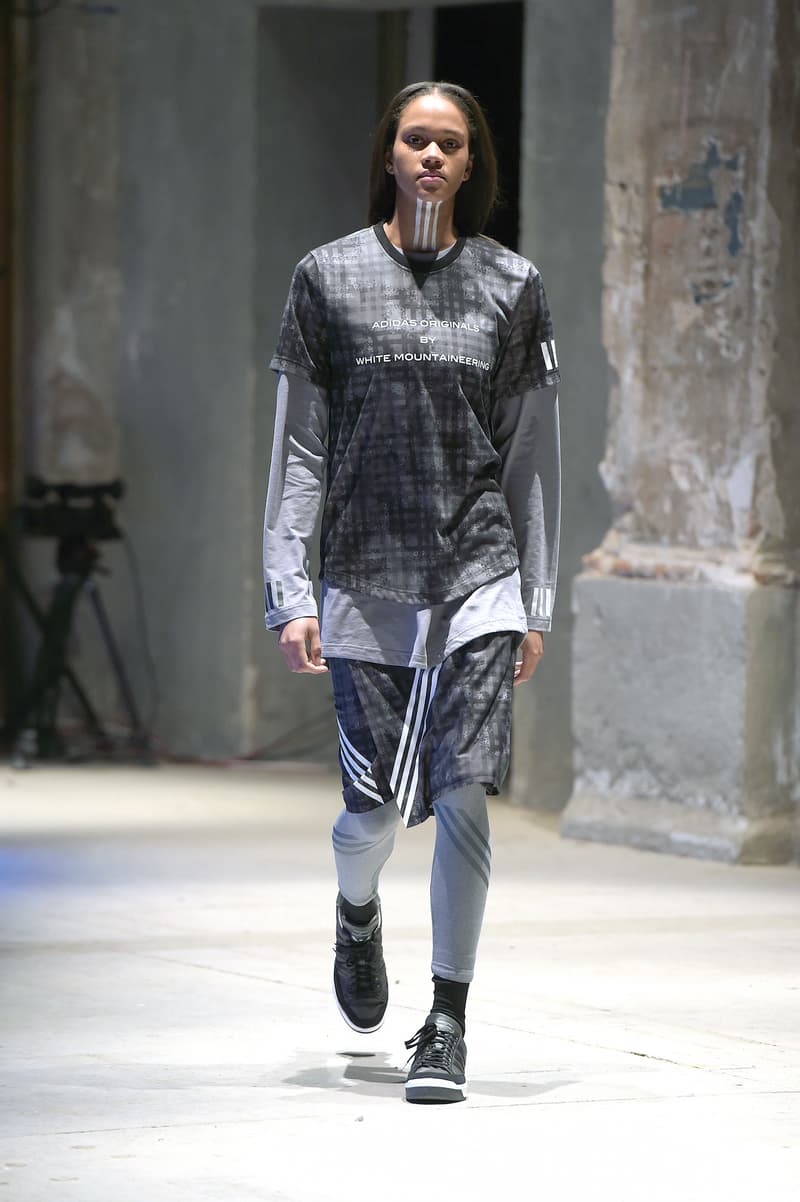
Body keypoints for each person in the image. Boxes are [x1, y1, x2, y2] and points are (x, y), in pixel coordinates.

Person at [263, 81, 561, 1104]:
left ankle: (445, 1021)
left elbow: (529, 453)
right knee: (371, 812)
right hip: (363, 579)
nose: (431, 156)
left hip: (479, 574)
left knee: (463, 789)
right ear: (388, 153)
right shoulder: (327, 277)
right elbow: (301, 444)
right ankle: (356, 909)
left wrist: (535, 599)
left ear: (471, 164)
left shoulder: (511, 285)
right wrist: (289, 587)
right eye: (415, 139)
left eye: (450, 143)